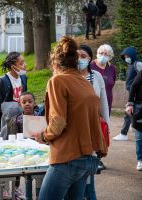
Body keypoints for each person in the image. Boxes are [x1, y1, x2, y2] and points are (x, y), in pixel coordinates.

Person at [36, 36, 107, 200]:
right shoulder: (85, 83)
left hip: (67, 158)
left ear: (55, 63)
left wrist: (43, 136)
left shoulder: (58, 81)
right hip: (87, 158)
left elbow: (58, 121)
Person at [78, 44, 110, 200]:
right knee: (77, 179)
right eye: (76, 56)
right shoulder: (68, 77)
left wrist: (106, 130)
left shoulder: (96, 76)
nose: (79, 59)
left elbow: (103, 104)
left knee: (89, 178)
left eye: (83, 56)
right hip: (75, 134)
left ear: (90, 58)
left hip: (94, 131)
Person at [0, 52, 27, 133]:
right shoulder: (3, 81)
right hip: (6, 123)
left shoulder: (23, 78)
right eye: (21, 63)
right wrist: (12, 107)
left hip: (20, 120)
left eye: (24, 62)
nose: (25, 64)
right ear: (13, 67)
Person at [114, 47, 142, 141]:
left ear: (132, 55)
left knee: (128, 111)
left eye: (128, 56)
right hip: (131, 92)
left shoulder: (137, 64)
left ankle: (123, 133)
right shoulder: (130, 65)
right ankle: (132, 128)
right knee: (131, 111)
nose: (126, 58)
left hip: (135, 93)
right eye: (125, 56)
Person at [91, 44, 117, 114]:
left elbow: (112, 83)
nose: (103, 56)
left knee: (104, 123)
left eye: (106, 54)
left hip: (107, 101)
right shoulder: (90, 66)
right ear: (97, 54)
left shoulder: (112, 68)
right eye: (101, 53)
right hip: (92, 102)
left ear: (110, 56)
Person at [126, 70, 142, 170]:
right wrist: (130, 103)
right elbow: (133, 86)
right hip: (140, 106)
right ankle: (140, 160)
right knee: (140, 136)